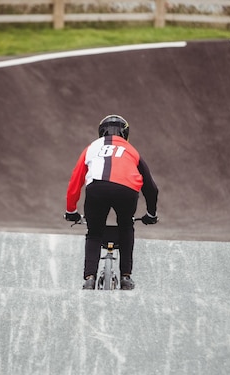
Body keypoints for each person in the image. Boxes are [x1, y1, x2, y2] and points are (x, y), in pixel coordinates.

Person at [64, 114, 159, 290]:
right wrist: (151, 214)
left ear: (101, 132)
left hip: (97, 189)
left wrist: (71, 211)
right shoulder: (132, 151)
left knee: (94, 232)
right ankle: (126, 277)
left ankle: (90, 277)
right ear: (125, 134)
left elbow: (75, 181)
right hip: (127, 190)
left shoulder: (92, 147)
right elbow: (151, 187)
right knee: (125, 227)